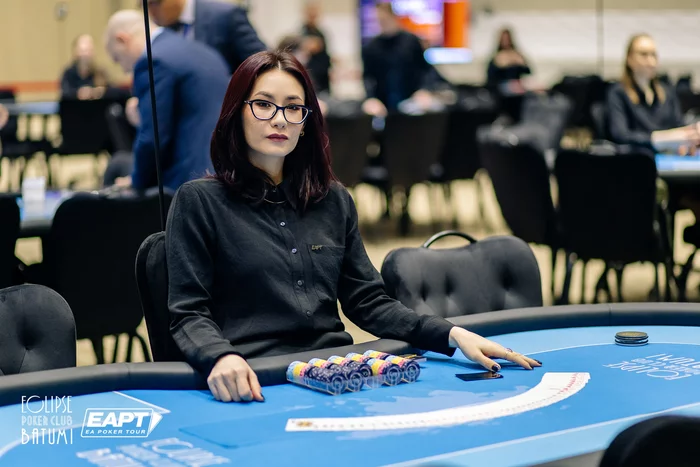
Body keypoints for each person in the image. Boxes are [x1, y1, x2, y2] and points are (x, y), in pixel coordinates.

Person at [165, 50, 541, 403]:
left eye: (294, 107)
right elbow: (188, 314)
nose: (279, 119)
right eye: (263, 104)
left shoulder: (333, 200)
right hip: (252, 377)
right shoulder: (198, 201)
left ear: (305, 123)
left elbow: (368, 301)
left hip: (336, 372)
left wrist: (452, 334)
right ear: (237, 113)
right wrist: (220, 357)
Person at [102, 10, 230, 191]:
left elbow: (153, 138)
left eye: (118, 58)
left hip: (186, 182)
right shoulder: (207, 53)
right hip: (223, 172)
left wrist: (135, 182)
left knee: (116, 172)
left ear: (122, 39)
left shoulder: (153, 60)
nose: (124, 70)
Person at [606, 34, 699, 153]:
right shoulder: (617, 93)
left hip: (669, 157)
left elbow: (679, 126)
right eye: (643, 54)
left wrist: (691, 133)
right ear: (629, 59)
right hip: (637, 157)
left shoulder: (667, 93)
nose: (651, 61)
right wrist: (657, 139)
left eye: (654, 55)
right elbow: (620, 135)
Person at [361, 2, 442, 117]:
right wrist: (371, 98)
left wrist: (424, 90)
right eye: (379, 20)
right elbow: (368, 77)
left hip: (411, 102)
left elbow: (426, 70)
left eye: (384, 19)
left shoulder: (411, 41)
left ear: (393, 17)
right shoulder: (371, 47)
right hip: (383, 106)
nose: (381, 23)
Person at [146, 0, 267, 75]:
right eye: (144, 5)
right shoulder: (163, 30)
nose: (151, 12)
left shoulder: (225, 15)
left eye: (155, 3)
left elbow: (261, 62)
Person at [60, 34, 110, 100]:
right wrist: (78, 93)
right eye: (82, 51)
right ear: (75, 52)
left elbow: (111, 92)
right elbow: (64, 95)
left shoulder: (100, 72)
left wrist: (100, 92)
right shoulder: (68, 73)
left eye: (88, 50)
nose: (85, 54)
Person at [300, 0, 331, 94]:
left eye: (315, 11)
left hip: (323, 78)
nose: (313, 14)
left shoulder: (321, 33)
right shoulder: (301, 33)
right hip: (311, 78)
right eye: (311, 11)